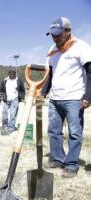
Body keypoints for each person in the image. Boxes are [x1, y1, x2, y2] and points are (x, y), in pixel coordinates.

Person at [42, 17, 91, 178]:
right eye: (53, 35)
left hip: (74, 98)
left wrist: (88, 95)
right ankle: (57, 159)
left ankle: (71, 164)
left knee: (75, 133)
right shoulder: (53, 50)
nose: (55, 38)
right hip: (55, 98)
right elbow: (50, 74)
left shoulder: (81, 47)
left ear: (68, 31)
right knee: (54, 131)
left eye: (58, 34)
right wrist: (43, 92)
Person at [0, 67, 25, 134]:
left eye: (13, 73)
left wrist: (21, 97)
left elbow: (22, 90)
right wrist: (2, 96)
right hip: (5, 99)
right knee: (4, 114)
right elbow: (1, 89)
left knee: (13, 114)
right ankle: (4, 126)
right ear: (8, 74)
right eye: (10, 73)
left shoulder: (18, 80)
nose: (12, 75)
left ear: (15, 74)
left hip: (15, 99)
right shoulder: (5, 80)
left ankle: (11, 127)